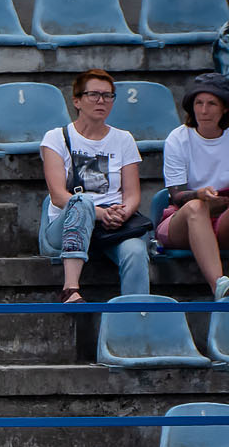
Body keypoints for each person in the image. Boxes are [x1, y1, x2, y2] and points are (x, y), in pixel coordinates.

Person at [39, 69, 152, 305]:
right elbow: (59, 197)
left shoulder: (124, 139)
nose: (102, 101)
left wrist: (122, 213)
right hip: (65, 224)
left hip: (112, 226)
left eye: (108, 96)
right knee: (81, 202)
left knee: (136, 251)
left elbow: (132, 195)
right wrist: (100, 213)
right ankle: (70, 289)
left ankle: (137, 318)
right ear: (77, 100)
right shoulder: (55, 138)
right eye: (94, 95)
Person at [158, 72, 229, 300]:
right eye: (199, 103)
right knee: (196, 208)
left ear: (224, 108)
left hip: (224, 216)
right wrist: (200, 195)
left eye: (211, 104)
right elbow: (176, 194)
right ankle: (220, 287)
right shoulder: (178, 139)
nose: (204, 110)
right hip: (184, 218)